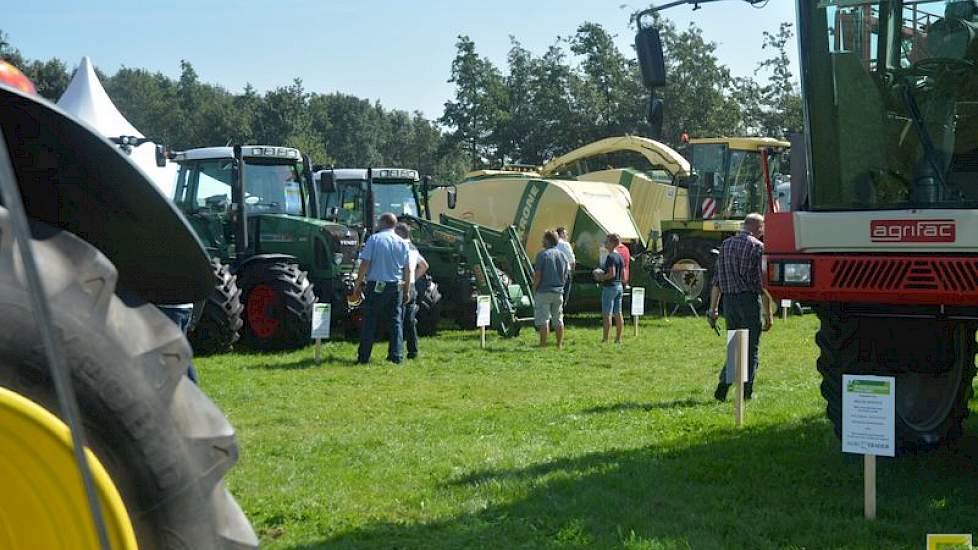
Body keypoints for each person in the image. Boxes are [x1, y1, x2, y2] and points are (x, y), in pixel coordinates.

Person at [709, 213, 773, 401]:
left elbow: (717, 281)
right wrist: (768, 313)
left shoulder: (725, 245)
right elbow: (763, 284)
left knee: (735, 345)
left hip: (729, 302)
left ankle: (724, 386)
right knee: (751, 347)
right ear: (758, 227)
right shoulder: (757, 247)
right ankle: (747, 393)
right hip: (749, 301)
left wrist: (713, 309)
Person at [354, 213, 412, 364]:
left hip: (376, 285)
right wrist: (406, 290)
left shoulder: (374, 239)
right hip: (395, 285)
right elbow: (407, 269)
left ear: (383, 223)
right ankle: (396, 355)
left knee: (370, 320)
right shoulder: (402, 243)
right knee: (395, 321)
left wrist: (357, 283)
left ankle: (364, 356)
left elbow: (365, 263)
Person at [394, 222, 429, 360]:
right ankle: (413, 351)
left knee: (397, 320)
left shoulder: (400, 247)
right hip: (412, 286)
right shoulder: (413, 248)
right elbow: (424, 265)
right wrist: (414, 278)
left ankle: (397, 351)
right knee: (410, 320)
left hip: (402, 285)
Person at [532, 230, 569, 348]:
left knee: (543, 319)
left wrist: (534, 288)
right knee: (558, 319)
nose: (542, 241)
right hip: (558, 291)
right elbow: (565, 274)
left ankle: (543, 344)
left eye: (543, 239)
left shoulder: (542, 255)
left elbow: (538, 275)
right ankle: (559, 344)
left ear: (547, 240)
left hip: (544, 291)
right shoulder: (562, 255)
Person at [596, 233, 625, 343]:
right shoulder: (619, 257)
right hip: (619, 286)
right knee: (618, 313)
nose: (605, 243)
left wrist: (601, 277)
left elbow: (611, 273)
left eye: (607, 241)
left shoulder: (610, 257)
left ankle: (605, 338)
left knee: (607, 314)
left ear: (612, 243)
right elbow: (621, 274)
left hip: (610, 287)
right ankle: (618, 338)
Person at [555, 227, 576, 306]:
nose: (567, 236)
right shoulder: (565, 244)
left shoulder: (552, 244)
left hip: (552, 272)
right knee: (563, 295)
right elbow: (572, 260)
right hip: (564, 272)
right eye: (566, 234)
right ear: (562, 234)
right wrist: (572, 272)